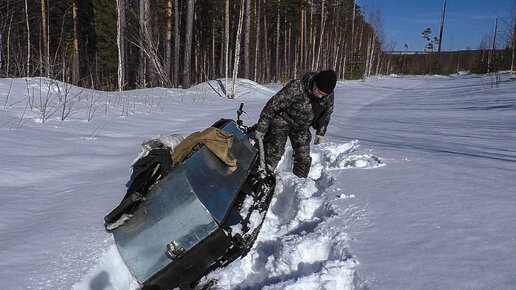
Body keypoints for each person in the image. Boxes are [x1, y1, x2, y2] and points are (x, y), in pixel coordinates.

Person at [254, 70, 336, 178]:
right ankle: (263, 177)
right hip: (283, 120)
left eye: (324, 94)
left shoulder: (327, 95)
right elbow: (272, 105)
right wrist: (261, 127)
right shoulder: (296, 87)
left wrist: (321, 132)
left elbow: (327, 114)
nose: (321, 96)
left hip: (301, 127)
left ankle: (299, 182)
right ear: (315, 82)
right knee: (275, 150)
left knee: (304, 158)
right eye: (319, 92)